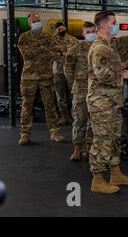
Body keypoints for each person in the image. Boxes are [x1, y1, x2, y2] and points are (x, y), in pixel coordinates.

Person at [87, 11, 128, 194]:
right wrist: (121, 75)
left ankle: (116, 173)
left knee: (114, 138)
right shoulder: (100, 47)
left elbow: (111, 68)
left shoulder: (109, 46)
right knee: (102, 140)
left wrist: (122, 68)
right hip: (101, 103)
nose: (117, 25)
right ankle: (98, 179)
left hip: (113, 101)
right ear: (103, 25)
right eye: (114, 22)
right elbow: (101, 75)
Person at [17, 13, 64, 145]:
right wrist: (44, 50)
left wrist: (41, 51)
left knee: (50, 104)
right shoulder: (24, 37)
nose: (36, 22)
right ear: (29, 23)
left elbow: (54, 52)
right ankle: (25, 133)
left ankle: (54, 131)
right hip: (29, 77)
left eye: (38, 20)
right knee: (27, 105)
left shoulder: (47, 37)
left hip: (46, 76)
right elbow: (26, 55)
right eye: (34, 21)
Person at [64, 22, 97, 161]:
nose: (91, 34)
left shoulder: (100, 48)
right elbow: (68, 69)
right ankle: (77, 148)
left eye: (93, 31)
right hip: (80, 90)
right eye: (88, 31)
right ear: (83, 34)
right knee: (79, 119)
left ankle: (89, 148)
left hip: (96, 91)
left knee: (93, 121)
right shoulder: (75, 49)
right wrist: (76, 83)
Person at [53, 21, 79, 125]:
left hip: (71, 71)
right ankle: (64, 117)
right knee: (60, 95)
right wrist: (65, 54)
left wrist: (62, 54)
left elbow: (77, 53)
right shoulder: (52, 41)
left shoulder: (73, 40)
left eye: (62, 28)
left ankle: (75, 116)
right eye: (59, 29)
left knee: (74, 94)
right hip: (58, 71)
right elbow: (51, 54)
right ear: (56, 30)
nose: (61, 30)